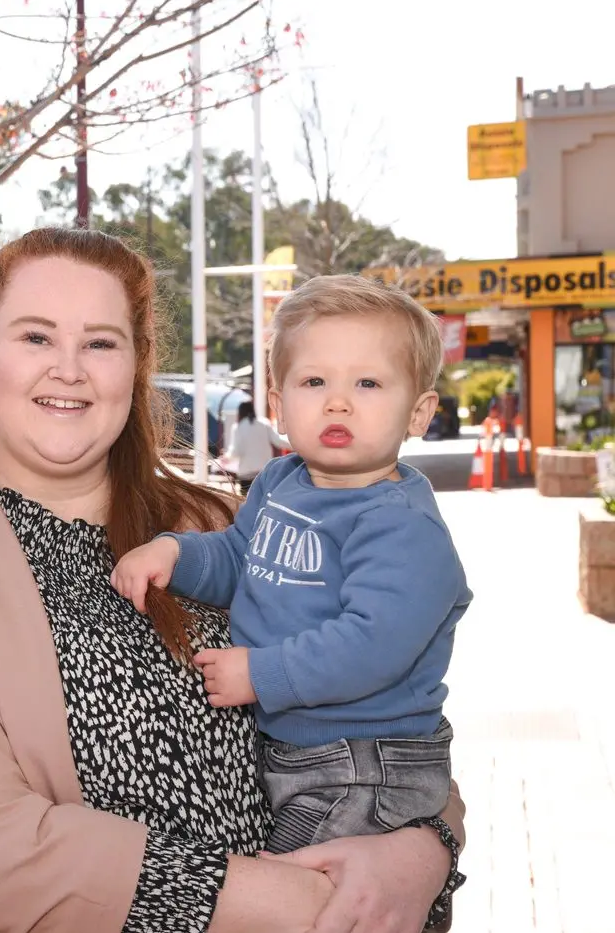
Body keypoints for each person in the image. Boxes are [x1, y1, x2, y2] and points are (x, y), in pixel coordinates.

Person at [0, 229, 465, 933]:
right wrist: (313, 906)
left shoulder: (230, 524)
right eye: (37, 338)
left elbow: (387, 727)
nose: (70, 369)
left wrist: (424, 849)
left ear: (137, 364)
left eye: (102, 343)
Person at [113, 274, 470, 860]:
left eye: (369, 383)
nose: (338, 400)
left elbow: (372, 645)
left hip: (368, 762)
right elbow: (237, 557)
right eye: (314, 381)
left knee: (298, 887)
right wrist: (175, 553)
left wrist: (262, 674)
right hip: (299, 751)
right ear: (278, 406)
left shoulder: (401, 525)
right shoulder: (282, 483)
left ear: (419, 412)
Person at [223, 398, 284, 495]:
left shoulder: (238, 427)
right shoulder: (264, 423)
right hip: (264, 472)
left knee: (247, 501)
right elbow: (278, 441)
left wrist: (226, 457)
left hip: (246, 473)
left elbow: (236, 451)